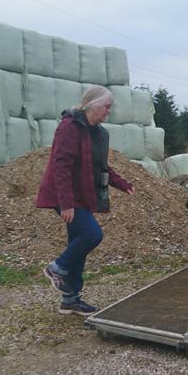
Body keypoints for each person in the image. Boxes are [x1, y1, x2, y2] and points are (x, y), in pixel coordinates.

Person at [36, 85, 135, 315]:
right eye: (107, 107)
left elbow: (102, 166)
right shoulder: (69, 128)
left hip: (83, 196)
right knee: (92, 235)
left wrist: (122, 184)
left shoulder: (96, 132)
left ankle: (70, 299)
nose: (108, 112)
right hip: (65, 196)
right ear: (93, 105)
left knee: (77, 245)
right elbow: (61, 167)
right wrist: (66, 203)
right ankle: (56, 268)